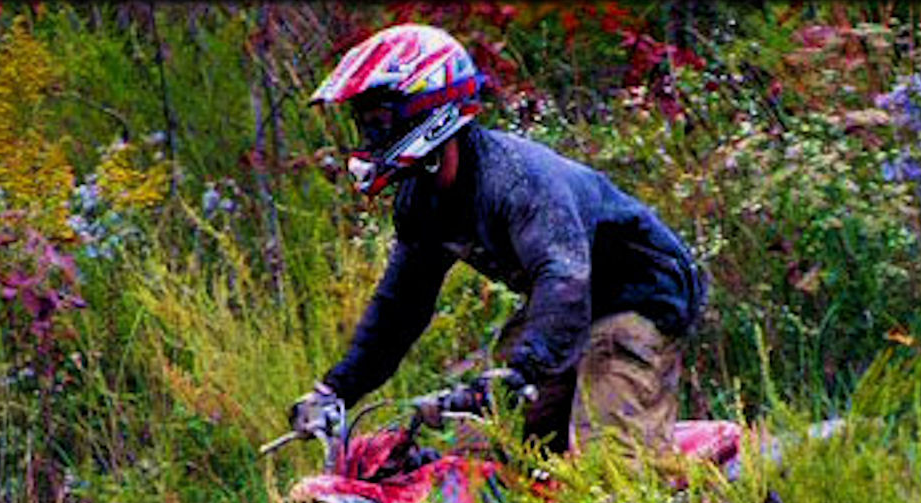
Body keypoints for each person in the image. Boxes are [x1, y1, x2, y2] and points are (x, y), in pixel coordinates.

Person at [290, 23, 707, 465]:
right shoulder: (423, 200)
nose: (370, 135)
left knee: (610, 466)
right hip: (564, 306)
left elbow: (562, 277)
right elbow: (401, 308)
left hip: (639, 295)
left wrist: (524, 370)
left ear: (426, 108)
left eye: (379, 120)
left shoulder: (516, 181)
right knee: (484, 453)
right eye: (365, 123)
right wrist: (335, 390)